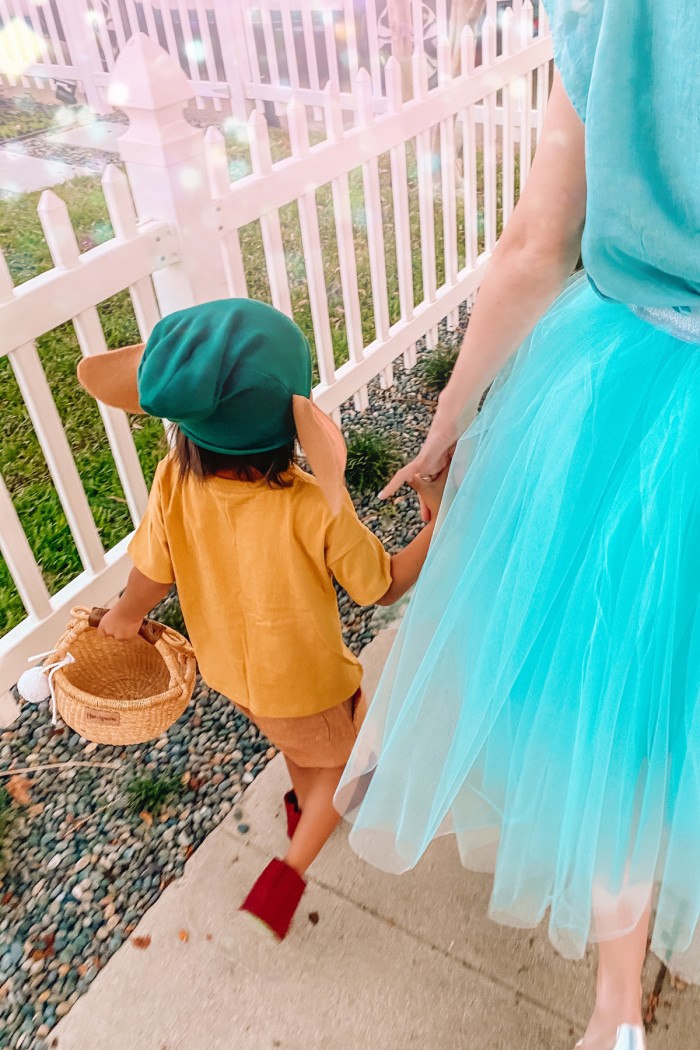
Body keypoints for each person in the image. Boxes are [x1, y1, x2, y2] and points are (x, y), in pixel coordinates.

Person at [335, 2, 700, 1048]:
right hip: (635, 410)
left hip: (618, 402)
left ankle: (615, 1014)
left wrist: (453, 419)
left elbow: (534, 246)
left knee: (614, 722)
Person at [77, 297, 444, 941]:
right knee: (345, 760)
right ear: (294, 418)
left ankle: (304, 803)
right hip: (310, 681)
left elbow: (153, 572)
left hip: (233, 676)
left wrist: (122, 621)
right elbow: (380, 586)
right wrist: (438, 526)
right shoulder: (313, 505)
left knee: (302, 747)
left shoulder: (174, 479)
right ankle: (289, 872)